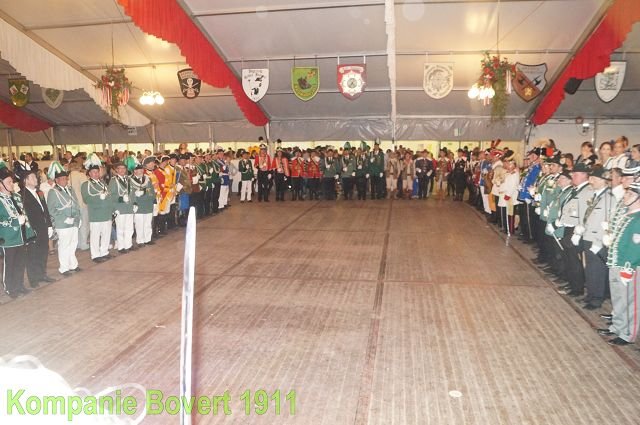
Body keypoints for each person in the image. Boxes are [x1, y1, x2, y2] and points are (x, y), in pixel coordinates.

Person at [604, 181, 640, 346]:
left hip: (629, 267)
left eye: (630, 194)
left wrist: (628, 267)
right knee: (618, 299)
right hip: (616, 263)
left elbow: (636, 247)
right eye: (627, 193)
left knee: (631, 302)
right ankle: (618, 327)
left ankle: (628, 334)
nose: (625, 196)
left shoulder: (638, 219)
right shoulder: (628, 215)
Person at [556, 162, 594, 297]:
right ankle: (571, 282)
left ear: (584, 175)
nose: (573, 177)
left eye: (575, 175)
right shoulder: (577, 189)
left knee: (574, 259)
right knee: (568, 257)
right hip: (569, 226)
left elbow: (586, 212)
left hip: (576, 229)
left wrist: (578, 232)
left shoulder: (588, 191)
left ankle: (577, 288)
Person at [0, 164, 35, 298]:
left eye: (12, 181)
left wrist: (30, 232)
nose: (12, 184)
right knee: (10, 264)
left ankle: (19, 285)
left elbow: (24, 214)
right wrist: (15, 221)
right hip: (8, 238)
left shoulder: (16, 197)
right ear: (1, 184)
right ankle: (10, 288)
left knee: (20, 262)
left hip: (21, 236)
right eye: (9, 182)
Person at [580, 166, 612, 310]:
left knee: (597, 269)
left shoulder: (609, 198)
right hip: (588, 236)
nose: (590, 181)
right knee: (590, 268)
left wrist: (599, 241)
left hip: (598, 240)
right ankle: (591, 294)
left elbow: (608, 223)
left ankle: (597, 298)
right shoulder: (595, 196)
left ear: (602, 180)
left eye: (593, 178)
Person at [21, 170, 56, 287]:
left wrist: (49, 225)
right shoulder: (22, 194)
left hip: (43, 227)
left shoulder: (39, 192)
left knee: (43, 251)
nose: (36, 179)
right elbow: (25, 214)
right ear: (25, 180)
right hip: (33, 228)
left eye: (35, 177)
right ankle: (33, 279)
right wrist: (30, 229)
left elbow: (45, 209)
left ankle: (42, 274)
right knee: (32, 254)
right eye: (32, 177)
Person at [46, 161, 81, 276]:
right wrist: (64, 218)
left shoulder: (70, 189)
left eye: (66, 179)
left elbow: (76, 204)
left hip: (74, 221)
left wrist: (78, 217)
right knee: (64, 245)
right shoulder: (53, 192)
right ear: (56, 180)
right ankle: (64, 268)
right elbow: (51, 209)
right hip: (62, 223)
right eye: (61, 179)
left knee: (73, 244)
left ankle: (73, 265)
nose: (64, 181)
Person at [81, 155, 112, 263]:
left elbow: (109, 197)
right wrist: (99, 198)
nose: (96, 174)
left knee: (106, 234)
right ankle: (95, 255)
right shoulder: (86, 185)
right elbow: (86, 199)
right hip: (96, 214)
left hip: (106, 213)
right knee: (95, 235)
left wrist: (112, 210)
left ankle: (104, 252)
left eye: (97, 172)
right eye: (93, 172)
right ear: (89, 173)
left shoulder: (103, 183)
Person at [109, 162, 134, 253]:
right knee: (120, 229)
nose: (122, 170)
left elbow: (132, 193)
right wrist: (120, 200)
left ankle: (128, 245)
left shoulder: (129, 179)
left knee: (129, 228)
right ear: (117, 170)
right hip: (120, 208)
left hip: (129, 207)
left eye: (124, 168)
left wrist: (135, 203)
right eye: (120, 168)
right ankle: (121, 247)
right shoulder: (113, 180)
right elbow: (111, 195)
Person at [130, 163, 155, 246]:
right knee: (139, 224)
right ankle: (140, 240)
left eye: (141, 169)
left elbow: (152, 190)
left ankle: (148, 239)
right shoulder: (130, 180)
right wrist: (134, 196)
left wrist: (154, 200)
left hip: (148, 204)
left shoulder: (147, 179)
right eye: (138, 169)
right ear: (134, 171)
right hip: (139, 205)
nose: (141, 171)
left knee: (148, 223)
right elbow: (129, 192)